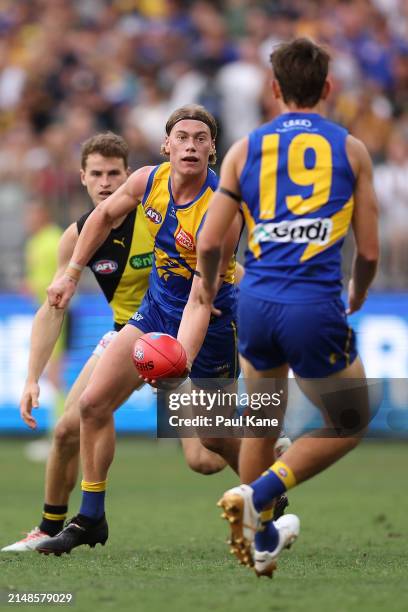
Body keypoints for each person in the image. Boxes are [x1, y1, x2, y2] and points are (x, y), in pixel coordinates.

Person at [196, 38, 379, 577]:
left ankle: (260, 540)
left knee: (260, 420)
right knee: (348, 421)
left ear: (273, 89)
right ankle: (259, 497)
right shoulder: (350, 149)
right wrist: (360, 292)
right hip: (313, 304)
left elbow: (210, 242)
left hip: (254, 301)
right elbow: (368, 251)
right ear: (327, 88)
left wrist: (208, 288)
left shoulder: (243, 149)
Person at [36, 105, 245, 555]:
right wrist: (72, 272)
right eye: (182, 137)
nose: (191, 144)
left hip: (208, 321)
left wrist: (178, 359)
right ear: (167, 146)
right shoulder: (149, 181)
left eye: (201, 138)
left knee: (209, 445)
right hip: (154, 311)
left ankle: (268, 481)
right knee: (92, 405)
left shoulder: (220, 209)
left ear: (212, 150)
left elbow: (202, 297)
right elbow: (103, 216)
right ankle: (91, 518)